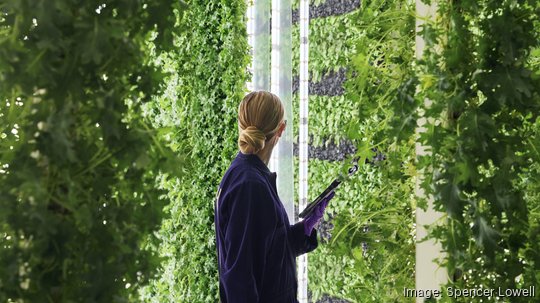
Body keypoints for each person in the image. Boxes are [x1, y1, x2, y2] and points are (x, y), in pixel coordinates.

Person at [214, 91, 335, 303]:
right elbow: (239, 279)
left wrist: (304, 229)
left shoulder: (250, 177)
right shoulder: (250, 186)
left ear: (240, 124)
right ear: (281, 129)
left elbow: (266, 251)